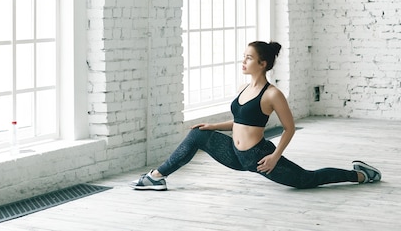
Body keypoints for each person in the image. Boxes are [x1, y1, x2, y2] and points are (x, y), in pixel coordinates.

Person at [131, 41, 381, 191]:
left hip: (258, 157)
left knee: (306, 179)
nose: (243, 61)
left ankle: (360, 174)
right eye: (244, 57)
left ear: (262, 64)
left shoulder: (272, 94)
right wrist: (213, 126)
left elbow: (289, 128)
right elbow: (242, 122)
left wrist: (274, 157)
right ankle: (156, 177)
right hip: (235, 156)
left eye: (249, 58)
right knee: (197, 134)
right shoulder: (243, 88)